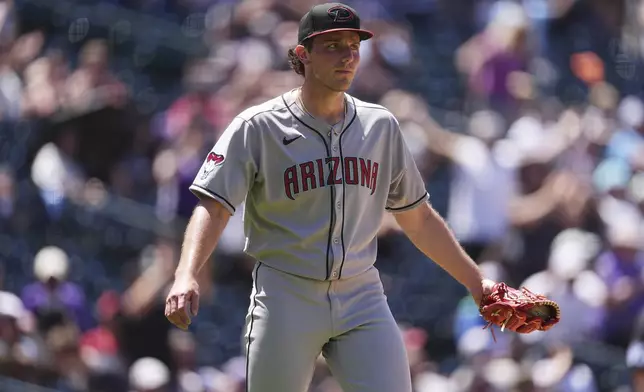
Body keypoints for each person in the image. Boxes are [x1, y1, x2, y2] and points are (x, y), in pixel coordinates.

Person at [164, 3, 494, 391]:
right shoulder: (258, 127)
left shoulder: (379, 125)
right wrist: (186, 273)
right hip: (286, 295)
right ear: (302, 55)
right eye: (333, 46)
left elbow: (418, 218)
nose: (348, 57)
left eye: (353, 46)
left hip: (361, 294)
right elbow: (214, 206)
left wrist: (478, 284)